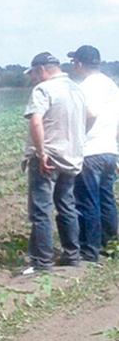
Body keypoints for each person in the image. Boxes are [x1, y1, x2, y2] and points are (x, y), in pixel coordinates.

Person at [22, 52, 90, 275]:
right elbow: (91, 116)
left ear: (42, 69)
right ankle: (72, 255)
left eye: (34, 73)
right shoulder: (76, 89)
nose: (33, 78)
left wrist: (41, 153)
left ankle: (43, 261)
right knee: (67, 206)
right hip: (71, 157)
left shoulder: (43, 89)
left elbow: (36, 121)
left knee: (41, 210)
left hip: (49, 157)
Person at [69, 45, 119, 260]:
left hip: (91, 151)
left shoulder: (86, 86)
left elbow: (90, 112)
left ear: (80, 63)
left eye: (74, 62)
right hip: (109, 149)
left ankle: (90, 249)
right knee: (106, 198)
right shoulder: (111, 84)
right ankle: (111, 244)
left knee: (87, 200)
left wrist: (78, 132)